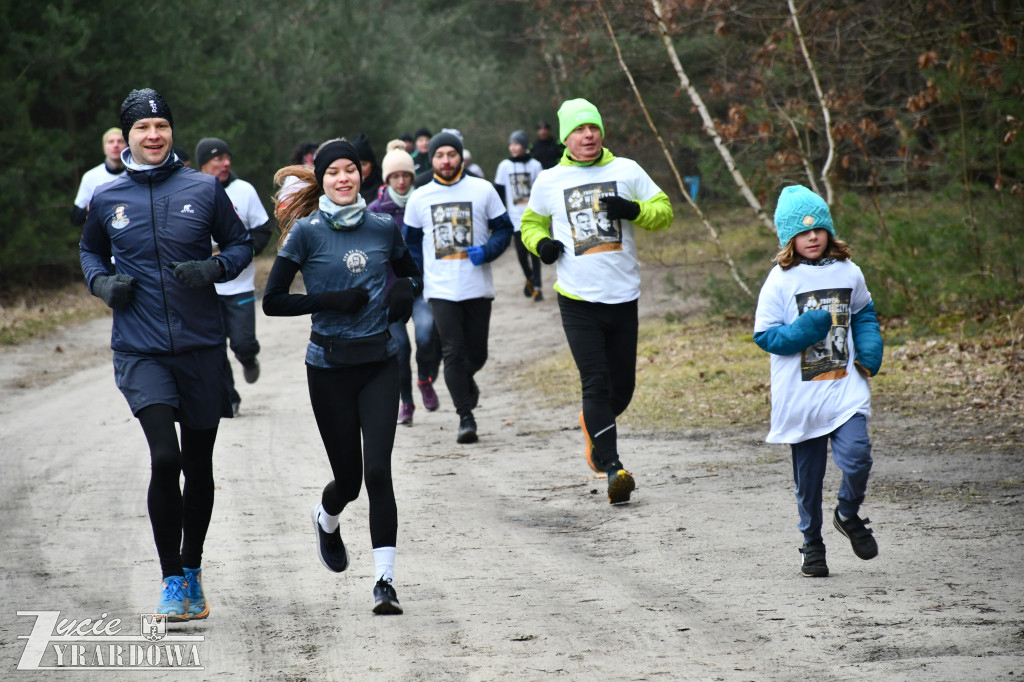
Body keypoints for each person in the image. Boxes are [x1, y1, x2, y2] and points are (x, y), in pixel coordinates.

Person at [79, 88, 253, 620]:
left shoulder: (203, 188)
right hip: (140, 349)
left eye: (161, 125)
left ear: (172, 131)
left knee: (198, 465)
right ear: (126, 137)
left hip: (201, 347)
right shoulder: (107, 198)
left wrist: (216, 269)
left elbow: (242, 243)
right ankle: (171, 579)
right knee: (166, 457)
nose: (153, 135)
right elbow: (89, 249)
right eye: (141, 128)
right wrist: (103, 284)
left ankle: (193, 566)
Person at [263, 139, 422, 614]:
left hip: (379, 363)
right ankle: (327, 518)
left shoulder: (381, 226)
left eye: (350, 169)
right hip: (329, 368)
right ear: (322, 179)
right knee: (348, 482)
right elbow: (273, 301)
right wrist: (327, 301)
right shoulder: (305, 234)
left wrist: (406, 294)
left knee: (378, 473)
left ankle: (384, 582)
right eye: (333, 172)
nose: (343, 178)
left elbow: (410, 273)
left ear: (361, 175)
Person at [519, 98, 673, 504]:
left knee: (622, 388)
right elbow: (530, 225)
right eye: (578, 129)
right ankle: (613, 467)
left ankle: (595, 430)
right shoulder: (549, 180)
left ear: (601, 132)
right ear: (566, 137)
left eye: (593, 128)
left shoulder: (626, 170)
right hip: (577, 300)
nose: (587, 135)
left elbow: (664, 211)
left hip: (623, 297)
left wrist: (634, 209)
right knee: (596, 382)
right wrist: (543, 245)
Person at [753, 184, 883, 578]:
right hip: (802, 393)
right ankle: (811, 542)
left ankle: (846, 512)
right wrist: (805, 330)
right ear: (789, 238)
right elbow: (766, 336)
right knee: (807, 480)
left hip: (844, 385)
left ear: (828, 231)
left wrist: (870, 346)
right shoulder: (780, 280)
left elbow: (863, 312)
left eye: (818, 229)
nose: (812, 237)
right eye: (803, 231)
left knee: (858, 455)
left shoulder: (849, 271)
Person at [404, 131, 513, 444]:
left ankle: (464, 381)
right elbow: (410, 245)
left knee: (477, 354)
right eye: (439, 155)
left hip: (477, 286)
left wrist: (488, 251)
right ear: (432, 159)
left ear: (460, 156)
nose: (446, 160)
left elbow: (504, 230)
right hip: (440, 290)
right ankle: (465, 417)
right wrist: (417, 278)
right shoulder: (420, 196)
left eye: (451, 154)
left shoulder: (482, 189)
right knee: (452, 352)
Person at [195, 137, 273, 415]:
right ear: (203, 164)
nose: (226, 163)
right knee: (214, 348)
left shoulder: (244, 191)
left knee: (242, 342)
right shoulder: (192, 191)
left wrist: (238, 255)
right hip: (206, 288)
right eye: (218, 158)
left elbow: (263, 230)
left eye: (228, 158)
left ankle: (248, 357)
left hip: (239, 286)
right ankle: (229, 396)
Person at [368, 140, 442, 425]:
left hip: (421, 287)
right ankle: (407, 403)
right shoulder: (375, 210)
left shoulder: (424, 202)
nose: (401, 181)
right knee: (399, 350)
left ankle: (425, 379)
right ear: (387, 179)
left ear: (412, 176)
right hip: (388, 291)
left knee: (426, 336)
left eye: (406, 175)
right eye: (395, 176)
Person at [494, 130, 544, 301]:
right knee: (521, 253)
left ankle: (538, 286)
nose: (513, 148)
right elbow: (499, 192)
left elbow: (541, 190)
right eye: (511, 144)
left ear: (524, 146)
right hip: (515, 218)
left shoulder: (535, 165)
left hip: (534, 216)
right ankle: (529, 277)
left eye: (517, 144)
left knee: (535, 252)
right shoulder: (504, 166)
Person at [71, 127, 126, 226]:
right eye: (110, 142)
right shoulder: (90, 177)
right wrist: (93, 205)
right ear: (104, 148)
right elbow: (76, 218)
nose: (116, 145)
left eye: (120, 141)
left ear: (127, 146)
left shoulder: (136, 174)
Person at [351, 133, 384, 204]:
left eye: (364, 164)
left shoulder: (383, 189)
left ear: (372, 164)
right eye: (356, 164)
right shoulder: (344, 188)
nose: (360, 169)